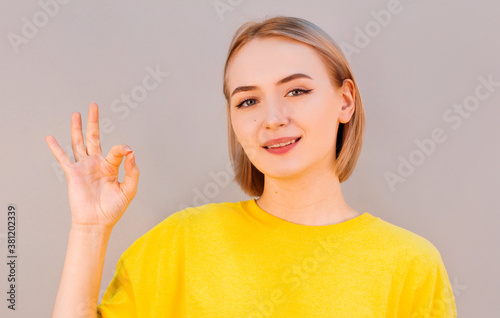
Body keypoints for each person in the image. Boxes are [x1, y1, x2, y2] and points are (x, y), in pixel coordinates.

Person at [46, 15, 457, 317]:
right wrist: (89, 229)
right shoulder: (184, 241)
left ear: (345, 100)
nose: (272, 117)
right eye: (247, 100)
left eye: (296, 90)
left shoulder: (410, 263)